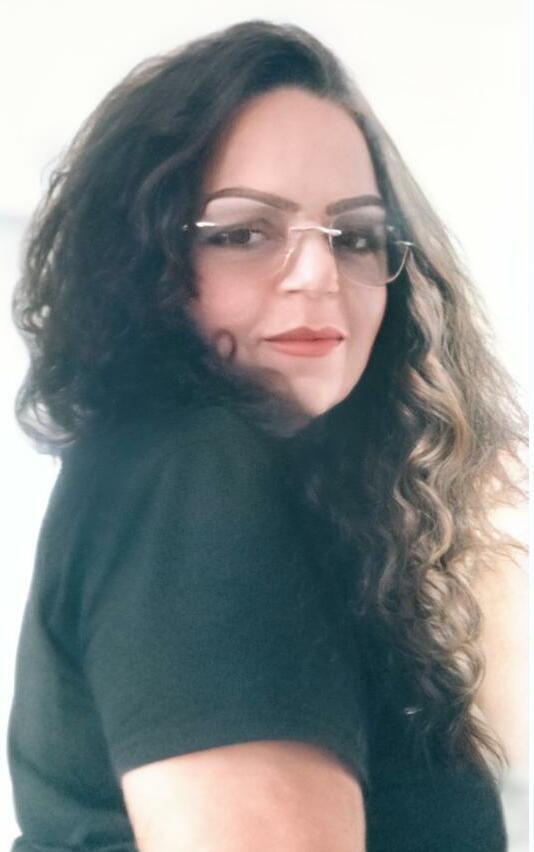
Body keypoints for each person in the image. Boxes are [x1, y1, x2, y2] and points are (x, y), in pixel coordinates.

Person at [8, 19, 526, 852]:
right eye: (244, 233)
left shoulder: (281, 500)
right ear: (144, 263)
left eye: (355, 236)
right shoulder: (193, 473)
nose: (320, 276)